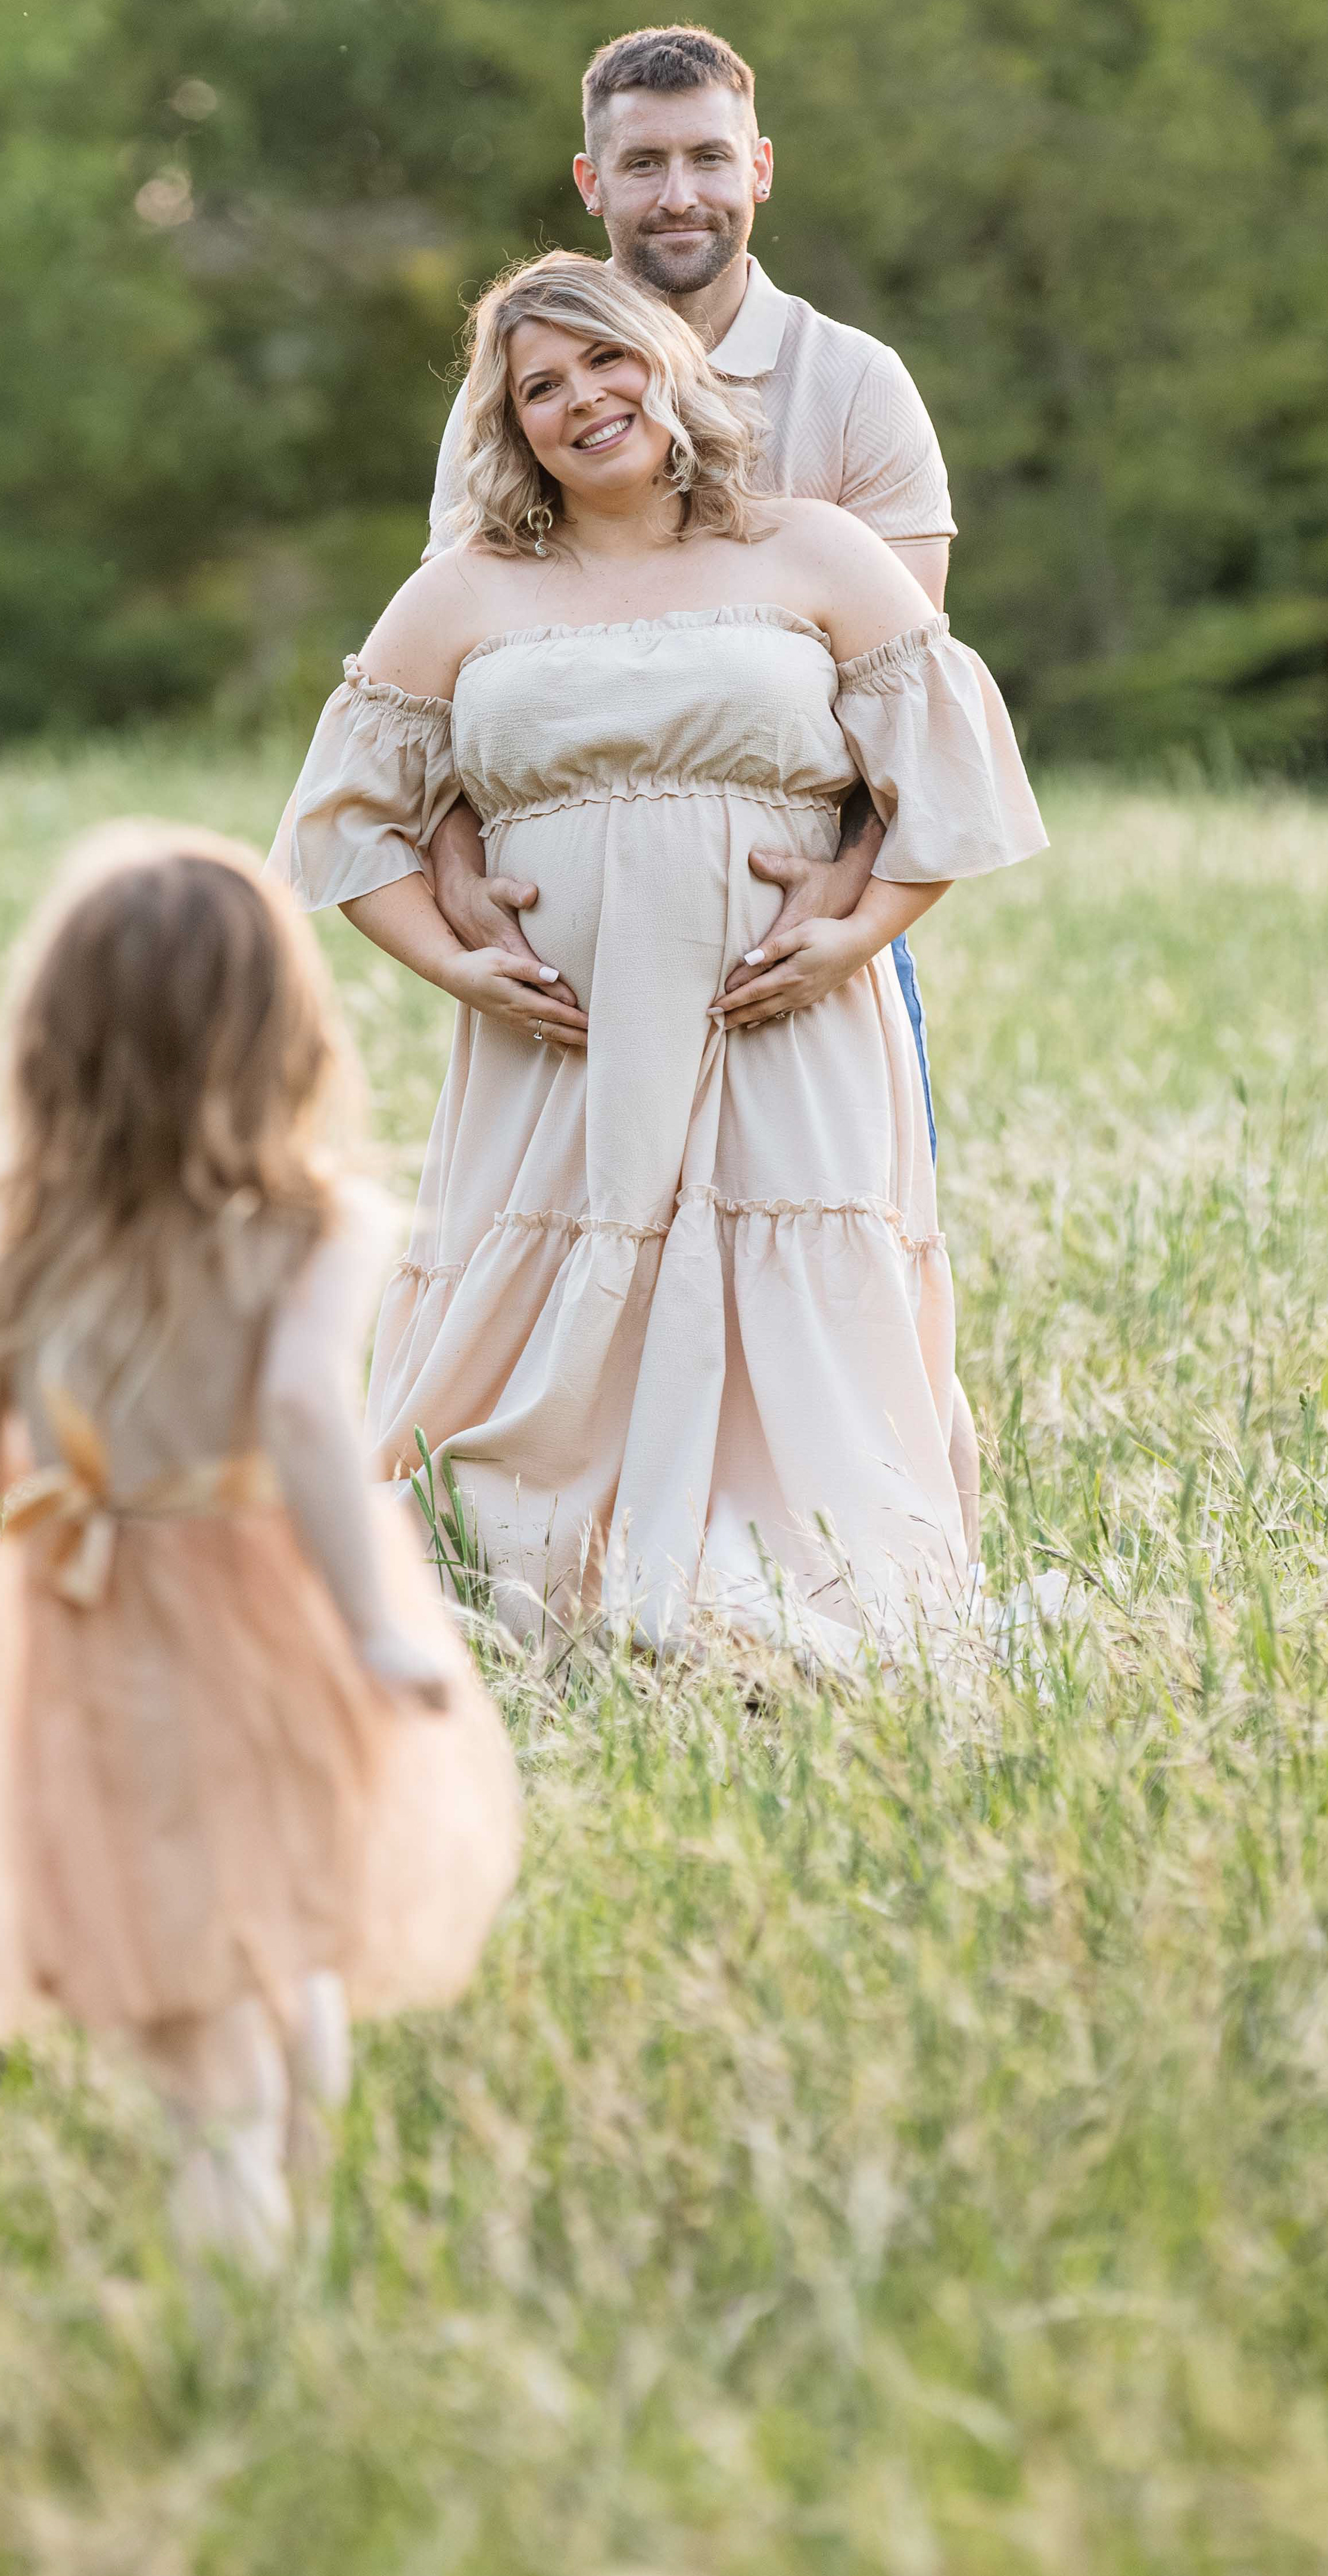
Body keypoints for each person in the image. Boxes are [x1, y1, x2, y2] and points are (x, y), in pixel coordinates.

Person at [272, 251, 1045, 1654]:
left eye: (607, 361)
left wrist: (854, 935)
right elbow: (347, 822)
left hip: (784, 1022)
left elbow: (948, 768)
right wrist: (455, 966)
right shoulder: (466, 590)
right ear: (512, 427)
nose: (583, 401)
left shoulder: (812, 548)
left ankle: (799, 1589)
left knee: (788, 1280)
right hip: (561, 1043)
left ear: (671, 368)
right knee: (550, 1297)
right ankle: (528, 1572)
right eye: (541, 388)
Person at [0, 826, 521, 2262]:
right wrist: (375, 1622)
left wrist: (87, 1454)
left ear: (55, 1042)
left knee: (187, 1956)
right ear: (280, 1035)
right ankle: (289, 2217)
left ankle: (234, 2275)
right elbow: (305, 1412)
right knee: (295, 1904)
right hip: (274, 1606)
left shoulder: (29, 1238)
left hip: (100, 1621)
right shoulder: (319, 1227)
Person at [422, 23, 955, 1141]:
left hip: (795, 931)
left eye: (709, 158)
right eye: (644, 165)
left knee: (833, 1227)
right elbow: (446, 673)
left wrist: (850, 896)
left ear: (759, 167)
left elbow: (912, 706)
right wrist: (456, 869)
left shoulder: (854, 384)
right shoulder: (513, 398)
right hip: (568, 951)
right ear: (591, 184)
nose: (679, 197)